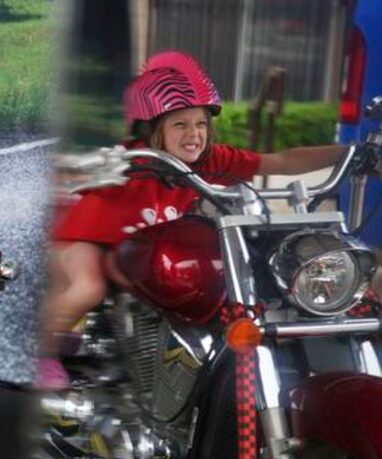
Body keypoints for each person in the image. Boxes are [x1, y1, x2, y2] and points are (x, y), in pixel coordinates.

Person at [37, 50, 348, 390]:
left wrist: (350, 153)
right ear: (154, 128)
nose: (194, 134)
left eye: (201, 123)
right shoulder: (132, 156)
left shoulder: (208, 161)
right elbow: (77, 164)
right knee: (88, 285)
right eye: (180, 124)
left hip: (140, 253)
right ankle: (38, 352)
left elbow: (279, 161)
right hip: (87, 239)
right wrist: (87, 165)